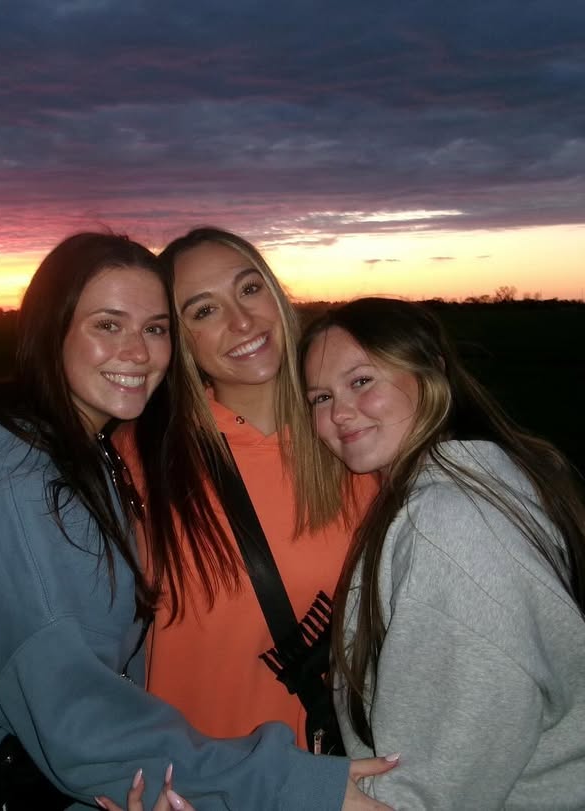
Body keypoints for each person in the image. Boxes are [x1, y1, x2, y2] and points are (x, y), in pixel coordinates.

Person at [0, 233, 392, 811]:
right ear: (51, 331)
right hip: (1, 786)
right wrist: (276, 783)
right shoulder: (41, 482)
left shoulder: (99, 462)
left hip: (179, 772)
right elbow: (75, 712)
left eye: (153, 328)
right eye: (108, 324)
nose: (137, 352)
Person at [298, 297, 585, 809]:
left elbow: (442, 777)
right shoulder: (481, 476)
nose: (340, 412)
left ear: (432, 371)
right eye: (321, 397)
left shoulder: (448, 522)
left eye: (361, 381)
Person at [127, 228, 374, 759]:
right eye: (204, 311)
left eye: (249, 288)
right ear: (178, 339)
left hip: (341, 776)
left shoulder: (356, 436)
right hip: (200, 778)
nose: (242, 322)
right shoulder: (143, 458)